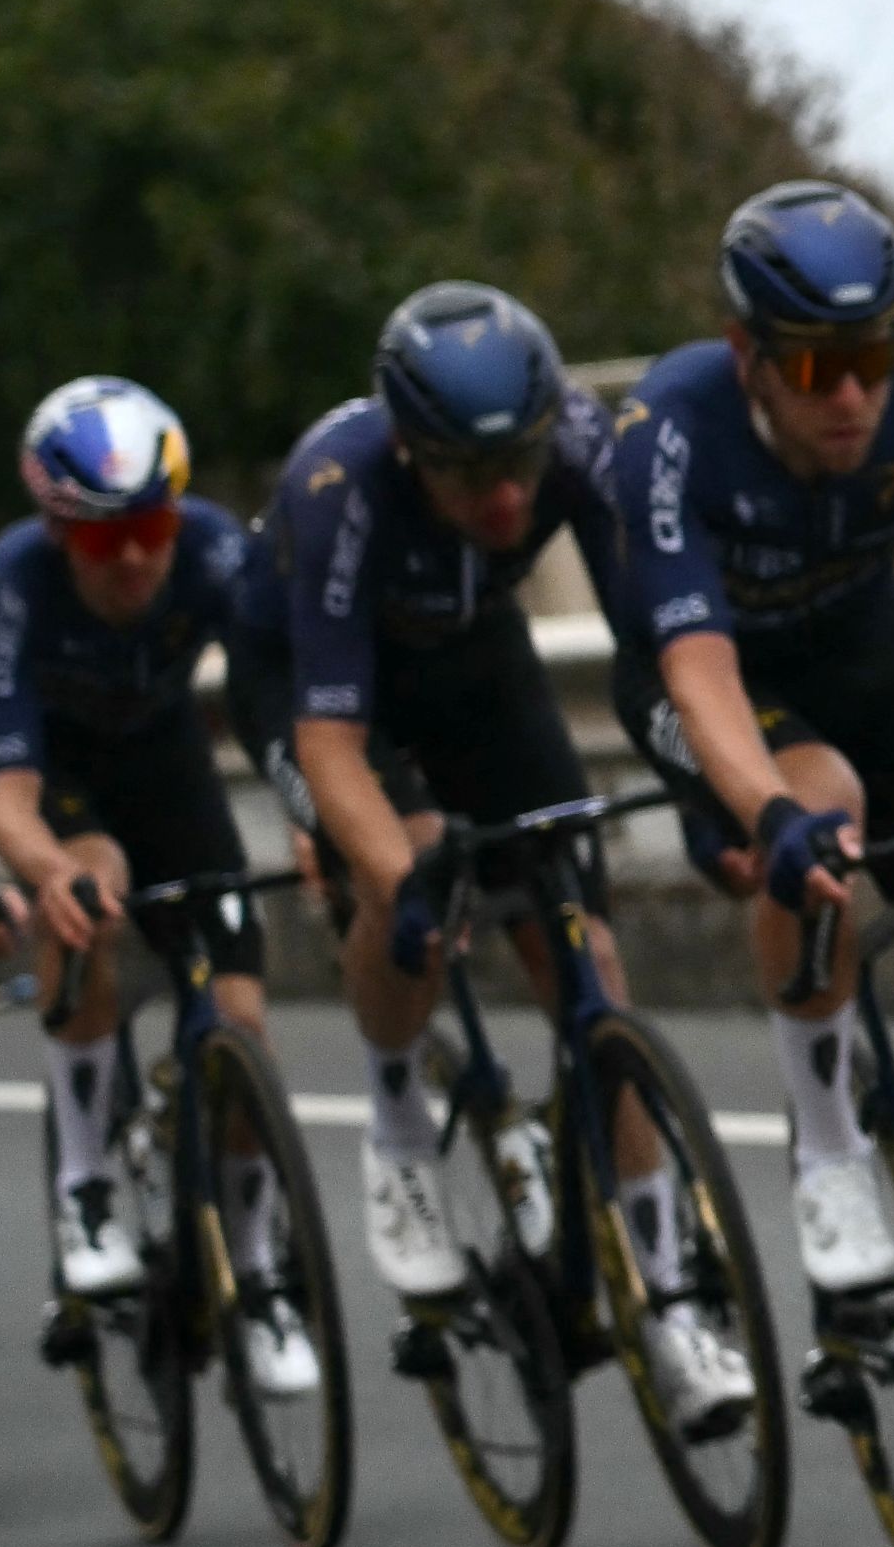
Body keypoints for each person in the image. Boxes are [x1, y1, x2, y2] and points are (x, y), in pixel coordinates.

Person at [267, 281, 747, 1438]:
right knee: (414, 874)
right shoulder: (337, 489)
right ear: (406, 447)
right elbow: (327, 741)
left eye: (520, 464)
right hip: (338, 691)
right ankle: (395, 1126)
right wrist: (396, 874)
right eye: (468, 472)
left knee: (589, 969)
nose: (504, 494)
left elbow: (660, 643)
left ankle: (670, 1298)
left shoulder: (577, 440)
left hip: (480, 664)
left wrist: (711, 784)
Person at [602, 180, 894, 1300]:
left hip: (863, 639)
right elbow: (697, 668)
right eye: (819, 369)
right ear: (749, 355)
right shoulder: (670, 430)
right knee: (819, 803)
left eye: (874, 359)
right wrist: (763, 812)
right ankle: (827, 1147)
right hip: (711, 671)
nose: (854, 397)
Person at [0, 376, 304, 1396]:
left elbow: (280, 700)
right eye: (103, 541)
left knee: (241, 1022)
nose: (135, 558)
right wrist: (47, 867)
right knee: (93, 889)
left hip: (162, 761)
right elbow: (7, 792)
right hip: (52, 776)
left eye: (149, 525)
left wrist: (313, 811)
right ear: (58, 530)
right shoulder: (16, 583)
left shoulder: (212, 552)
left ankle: (258, 1271)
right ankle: (85, 1185)